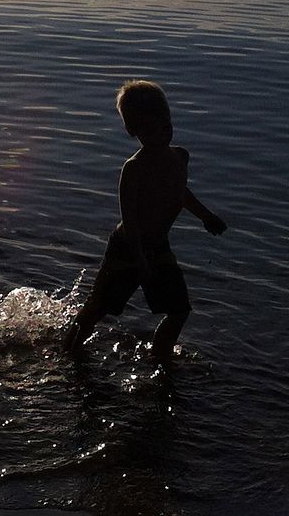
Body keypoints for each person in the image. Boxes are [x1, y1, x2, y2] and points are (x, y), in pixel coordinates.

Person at [61, 80, 227, 363]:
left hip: (159, 246)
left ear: (169, 121)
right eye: (148, 131)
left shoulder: (179, 157)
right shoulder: (134, 168)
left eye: (165, 126)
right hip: (126, 248)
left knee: (179, 310)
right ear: (132, 131)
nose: (160, 135)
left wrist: (206, 216)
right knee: (99, 308)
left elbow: (180, 192)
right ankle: (68, 351)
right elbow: (130, 219)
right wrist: (139, 259)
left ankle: (160, 355)